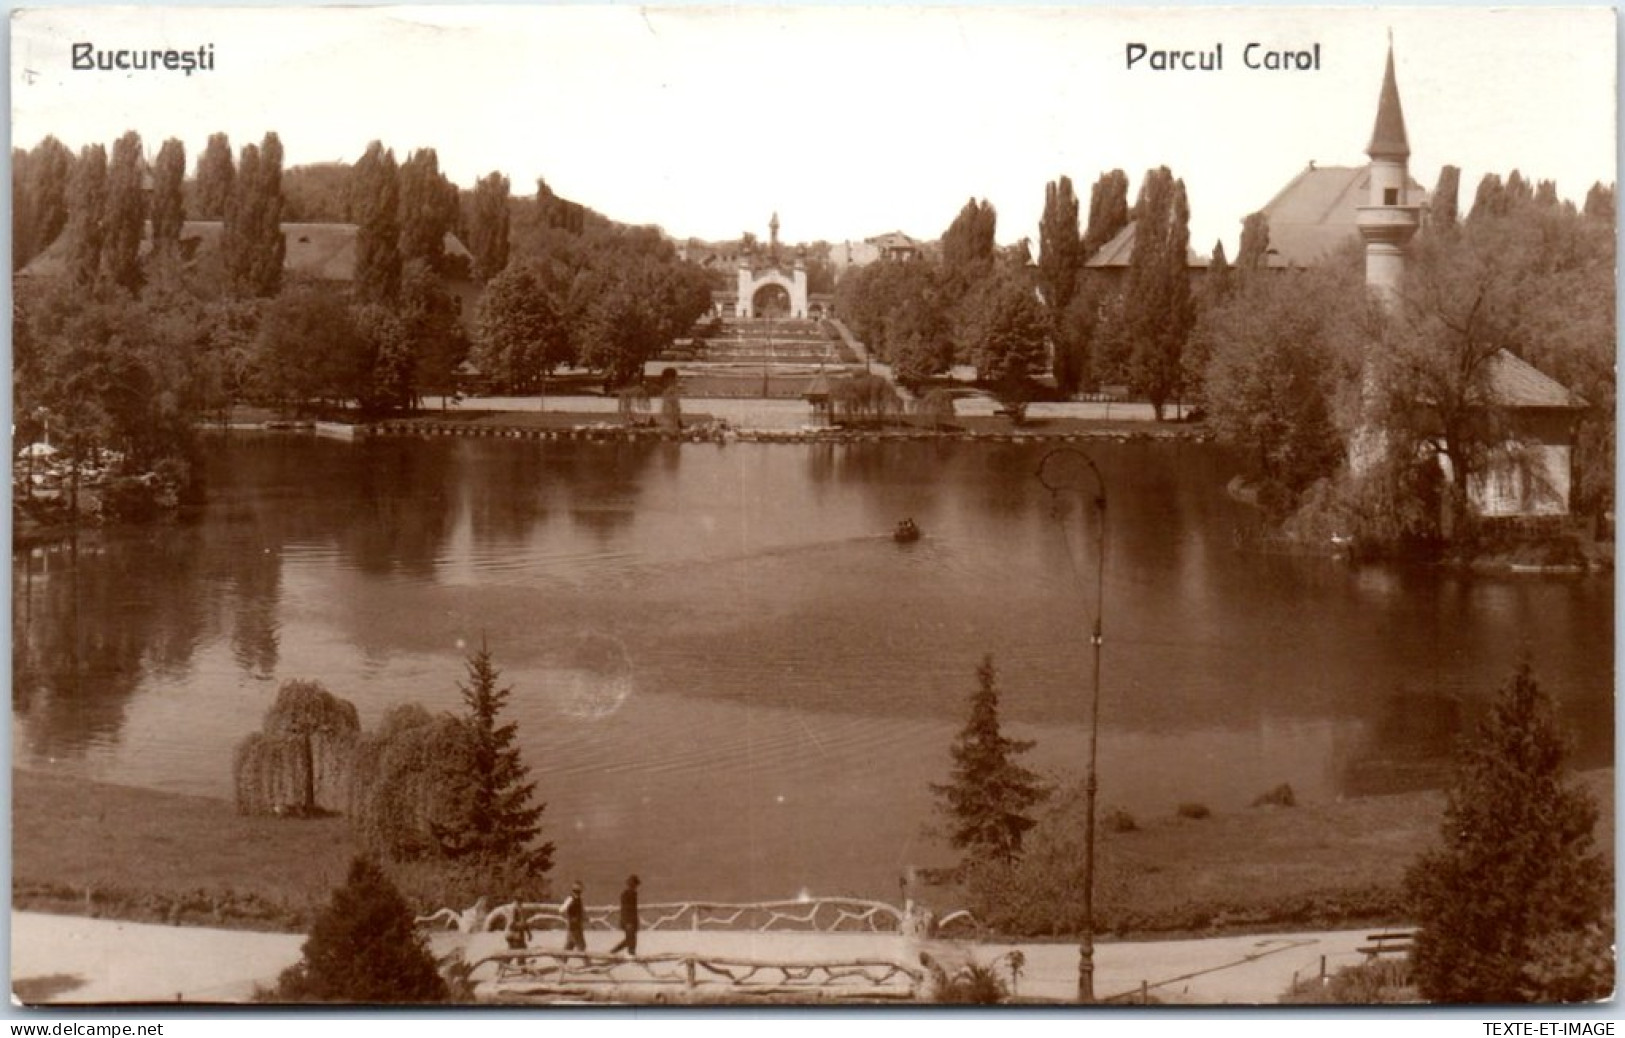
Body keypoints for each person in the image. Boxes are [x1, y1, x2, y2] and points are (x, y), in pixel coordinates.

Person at [609, 875, 641, 956]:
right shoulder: (629, 894)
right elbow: (627, 910)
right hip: (628, 921)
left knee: (629, 940)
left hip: (629, 921)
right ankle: (630, 955)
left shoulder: (631, 894)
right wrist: (629, 923)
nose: (636, 887)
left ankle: (613, 952)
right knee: (631, 940)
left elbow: (632, 910)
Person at [562, 881, 587, 957]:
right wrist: (570, 916)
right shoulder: (570, 899)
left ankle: (563, 960)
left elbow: (581, 911)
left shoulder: (578, 899)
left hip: (577, 925)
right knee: (581, 945)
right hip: (573, 925)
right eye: (577, 890)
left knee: (570, 944)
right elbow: (562, 909)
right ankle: (587, 963)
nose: (578, 892)